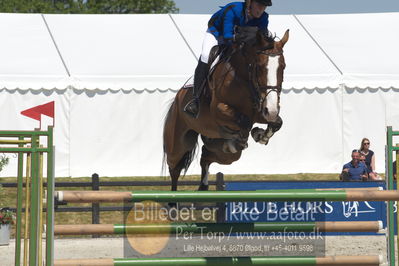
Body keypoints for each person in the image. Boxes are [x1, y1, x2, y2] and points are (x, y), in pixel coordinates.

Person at [184, 0, 272, 118]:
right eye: (259, 5)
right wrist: (242, 37)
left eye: (264, 6)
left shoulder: (264, 18)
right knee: (205, 56)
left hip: (238, 39)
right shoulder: (233, 9)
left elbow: (261, 41)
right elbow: (227, 37)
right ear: (250, 2)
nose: (261, 9)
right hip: (217, 33)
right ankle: (196, 100)